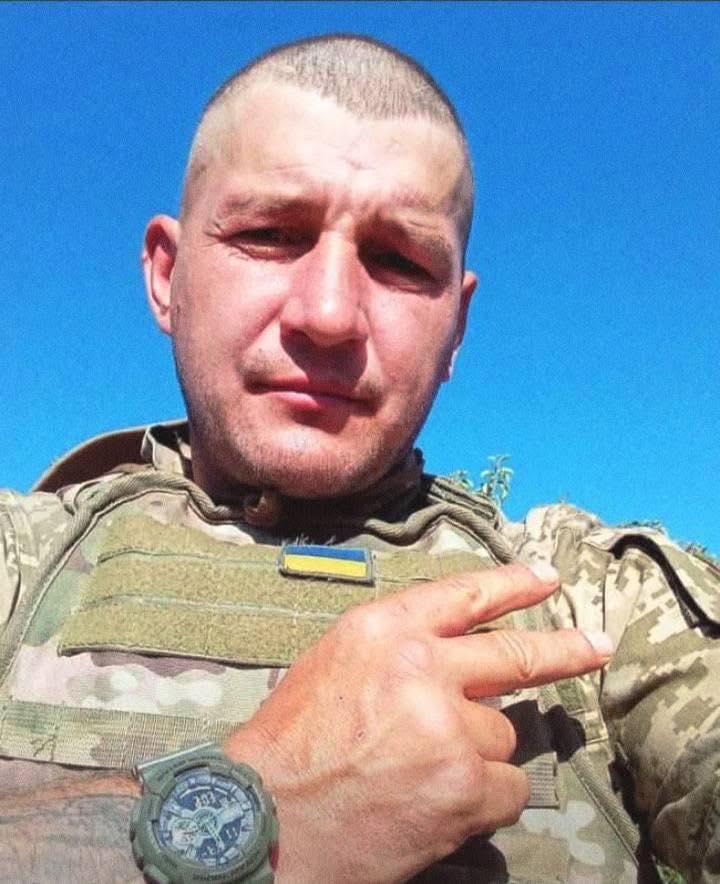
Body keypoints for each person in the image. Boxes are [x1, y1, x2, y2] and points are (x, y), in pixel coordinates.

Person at [0, 34, 718, 884]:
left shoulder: (593, 598)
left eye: (399, 260)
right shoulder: (17, 561)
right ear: (167, 276)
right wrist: (256, 814)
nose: (329, 315)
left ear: (456, 326)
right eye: (270, 233)